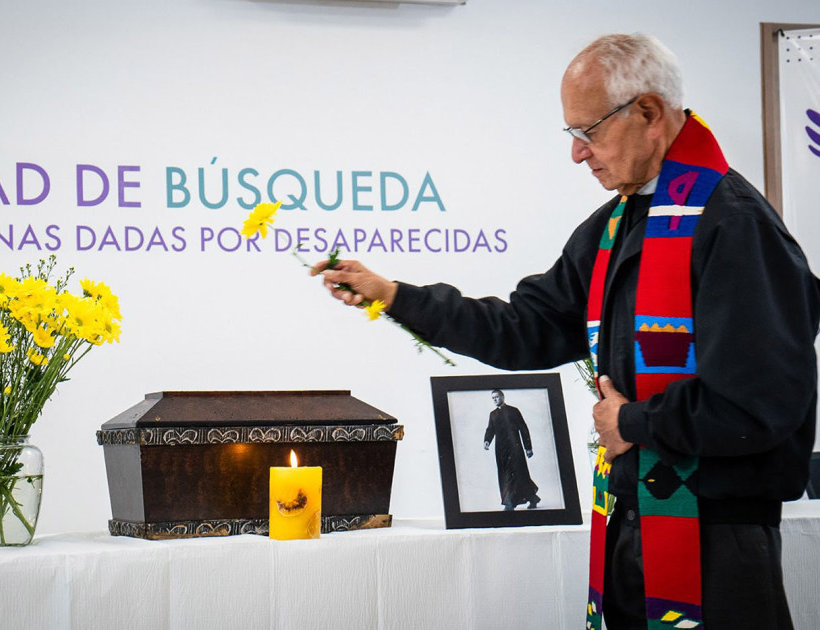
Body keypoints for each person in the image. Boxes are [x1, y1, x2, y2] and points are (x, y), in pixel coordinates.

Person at [312, 33, 820, 630]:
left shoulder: (734, 227)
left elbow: (762, 404)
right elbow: (525, 329)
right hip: (632, 523)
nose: (578, 154)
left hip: (718, 541)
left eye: (590, 131)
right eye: (572, 135)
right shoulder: (615, 226)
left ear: (650, 114)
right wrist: (396, 296)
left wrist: (632, 422)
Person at [484, 389, 540, 510]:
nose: (495, 400)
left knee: (519, 474)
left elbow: (523, 428)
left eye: (497, 397)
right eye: (493, 398)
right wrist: (487, 440)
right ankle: (532, 498)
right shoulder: (492, 414)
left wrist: (528, 448)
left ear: (503, 397)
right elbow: (490, 429)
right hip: (500, 450)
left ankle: (509, 503)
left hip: (515, 448)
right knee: (505, 475)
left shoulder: (513, 411)